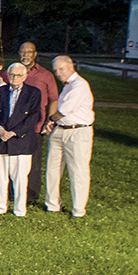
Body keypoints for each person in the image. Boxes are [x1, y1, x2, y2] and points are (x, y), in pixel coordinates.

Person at [0, 62, 43, 216]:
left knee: (20, 178)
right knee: (0, 177)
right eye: (12, 74)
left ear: (25, 76)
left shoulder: (34, 93)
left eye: (19, 75)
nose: (15, 78)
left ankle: (19, 210)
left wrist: (14, 132)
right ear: (7, 75)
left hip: (21, 142)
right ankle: (0, 207)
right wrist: (0, 130)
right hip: (1, 140)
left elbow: (34, 117)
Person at [44, 55, 94, 218]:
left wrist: (50, 120)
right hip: (61, 130)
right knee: (52, 169)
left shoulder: (80, 85)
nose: (58, 73)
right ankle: (52, 204)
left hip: (78, 132)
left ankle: (78, 210)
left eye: (61, 69)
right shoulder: (67, 86)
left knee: (78, 171)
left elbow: (63, 110)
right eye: (56, 71)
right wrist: (53, 123)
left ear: (71, 66)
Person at [14, 41, 58, 203]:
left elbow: (54, 99)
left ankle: (31, 195)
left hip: (35, 125)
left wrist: (49, 121)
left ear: (35, 54)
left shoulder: (45, 76)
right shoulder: (12, 72)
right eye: (22, 52)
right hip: (14, 126)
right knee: (15, 160)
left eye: (29, 52)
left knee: (33, 161)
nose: (25, 55)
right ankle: (14, 191)